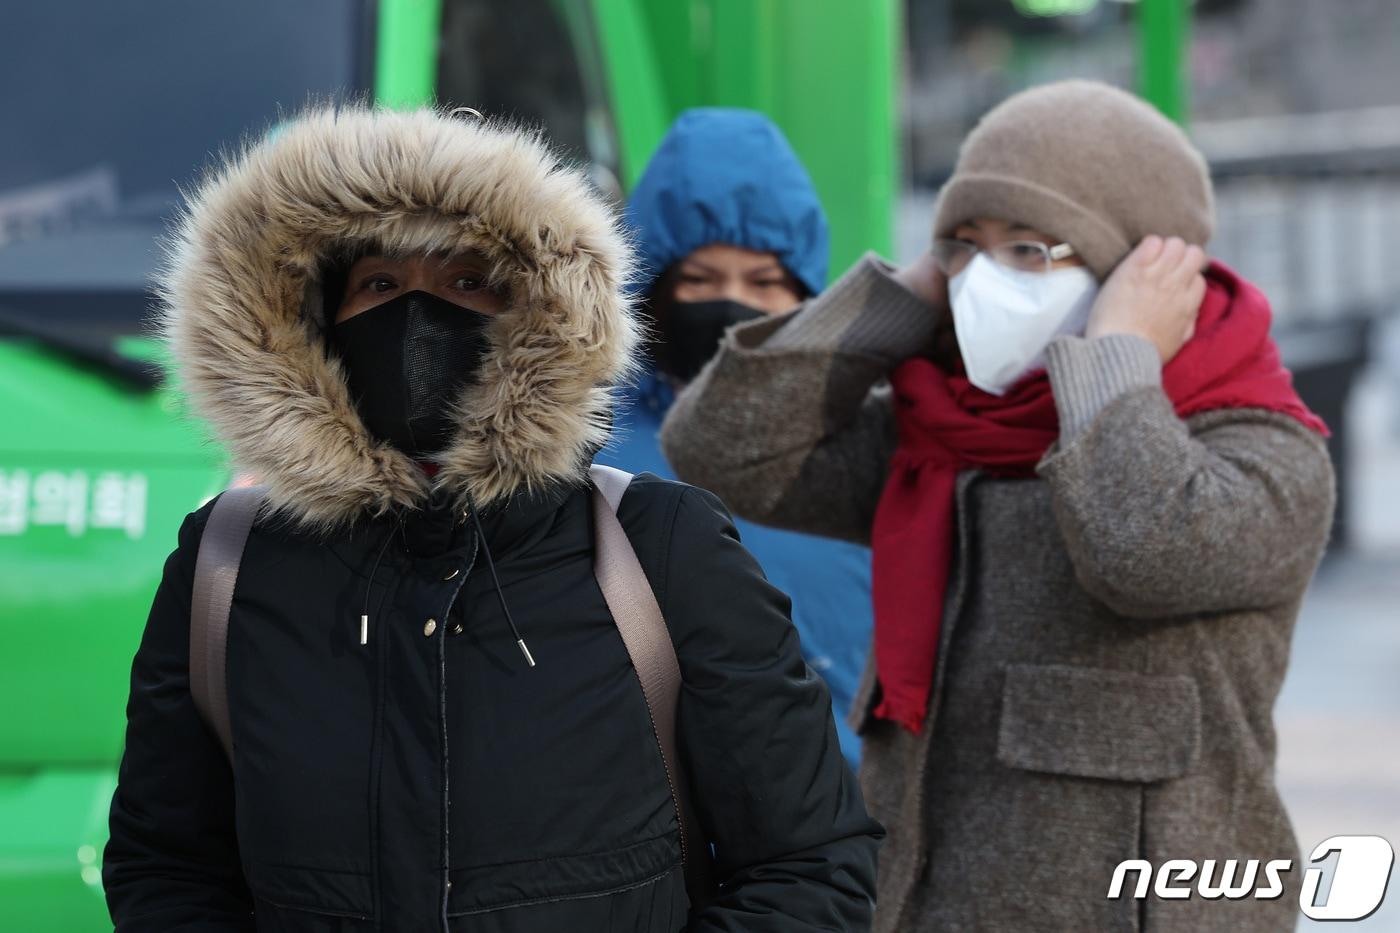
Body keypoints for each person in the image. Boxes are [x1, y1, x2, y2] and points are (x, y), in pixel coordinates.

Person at [102, 105, 881, 932]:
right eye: (380, 284)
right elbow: (168, 868)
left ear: (535, 312)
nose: (419, 317)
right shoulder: (227, 564)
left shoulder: (659, 547)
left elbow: (809, 866)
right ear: (310, 321)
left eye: (467, 281)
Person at [660, 80, 1334, 932]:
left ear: (1141, 267)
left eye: (1031, 249)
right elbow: (721, 447)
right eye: (965, 247)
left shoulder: (1265, 453)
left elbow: (1141, 547)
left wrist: (1118, 355)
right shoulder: (941, 438)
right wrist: (901, 300)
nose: (987, 278)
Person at [597, 107, 872, 766]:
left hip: (848, 830)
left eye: (763, 281)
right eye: (698, 279)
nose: (730, 303)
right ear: (649, 290)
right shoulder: (587, 450)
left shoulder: (858, 446)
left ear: (805, 294)